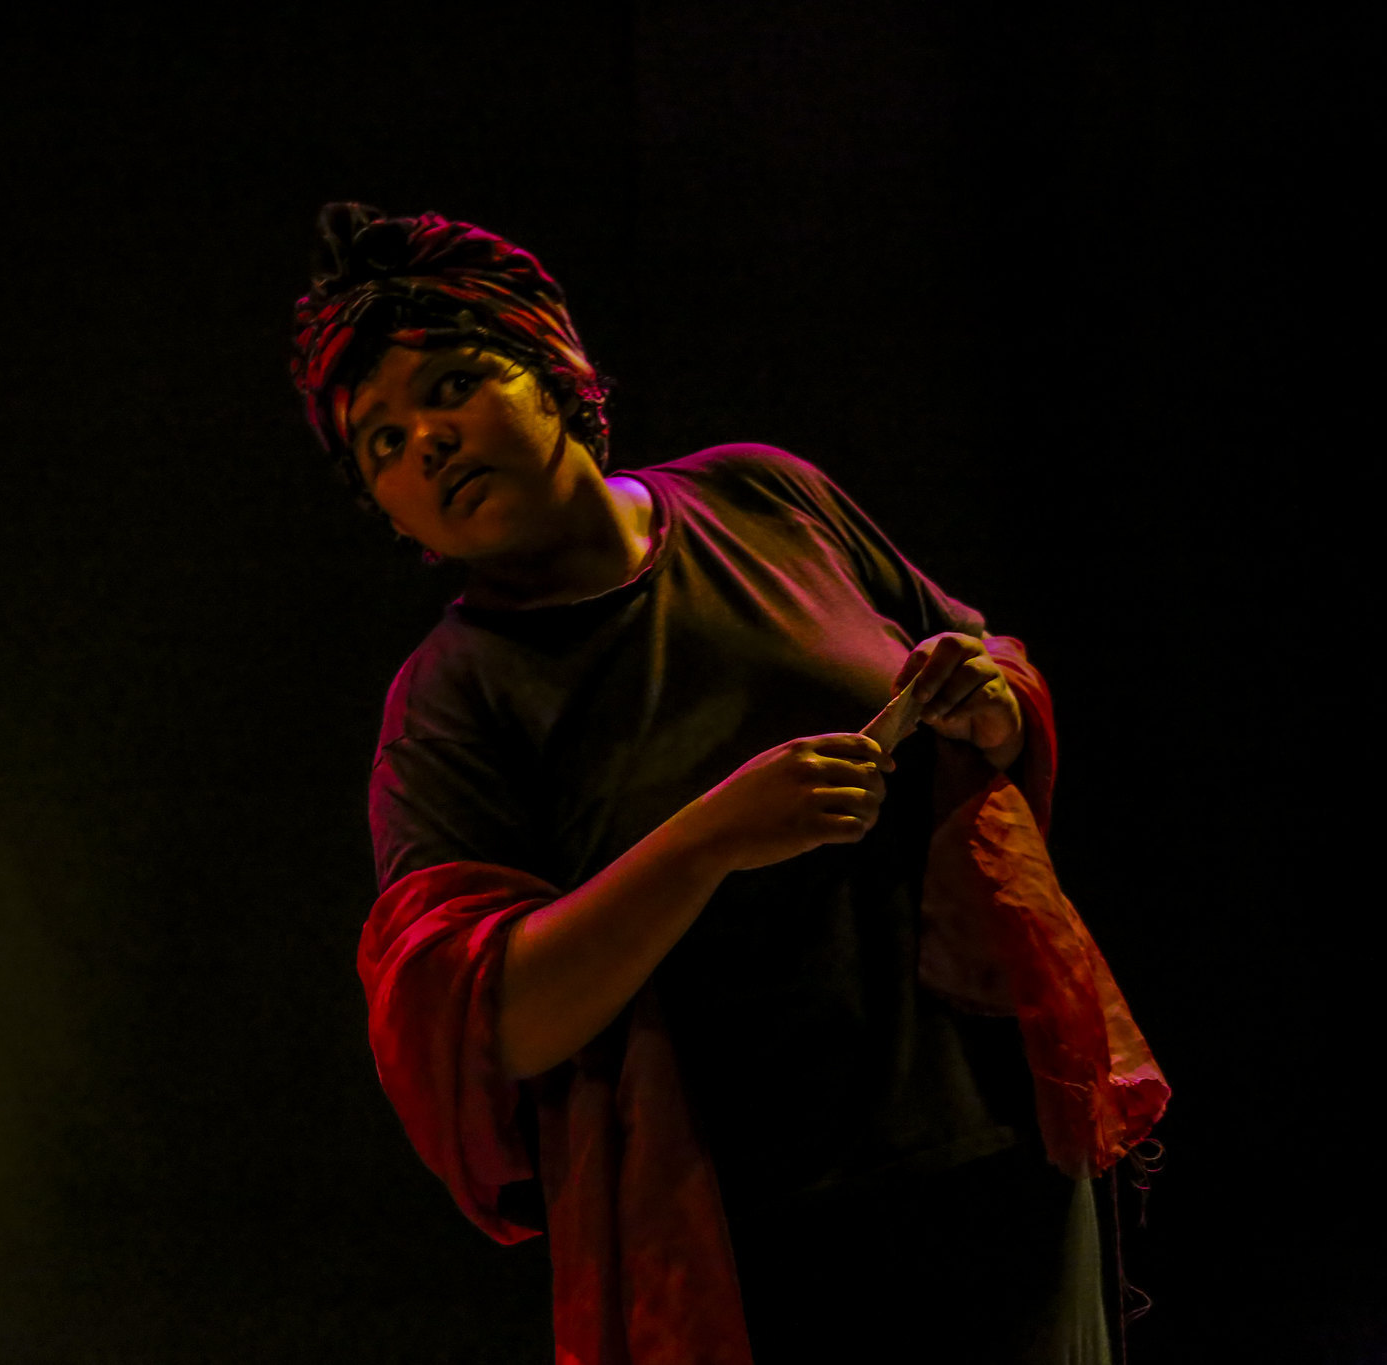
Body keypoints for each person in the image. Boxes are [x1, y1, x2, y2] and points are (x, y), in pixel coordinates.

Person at [292, 204, 1164, 1364]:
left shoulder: (762, 496)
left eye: (452, 386)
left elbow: (980, 666)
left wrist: (985, 700)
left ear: (552, 372)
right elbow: (483, 1020)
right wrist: (708, 840)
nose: (428, 445)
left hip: (995, 1140)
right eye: (382, 446)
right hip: (761, 1234)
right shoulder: (452, 699)